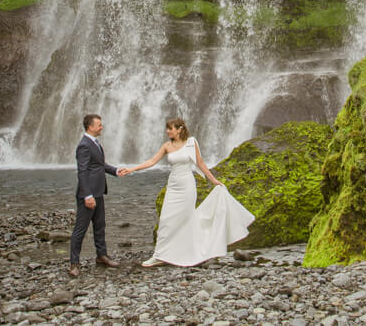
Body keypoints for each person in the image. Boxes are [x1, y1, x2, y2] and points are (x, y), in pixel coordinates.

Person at [119, 118, 254, 267]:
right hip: (173, 186)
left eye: (170, 128)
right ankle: (159, 255)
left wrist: (214, 180)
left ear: (179, 129)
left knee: (186, 220)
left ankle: (183, 252)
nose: (167, 131)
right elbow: (152, 161)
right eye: (167, 128)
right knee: (166, 220)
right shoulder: (167, 146)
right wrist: (132, 169)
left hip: (187, 187)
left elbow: (200, 163)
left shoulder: (191, 143)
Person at [68, 113, 121, 277]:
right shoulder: (84, 145)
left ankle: (101, 255)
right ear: (90, 127)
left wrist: (116, 171)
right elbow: (82, 171)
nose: (101, 127)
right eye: (99, 125)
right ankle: (74, 263)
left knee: (100, 226)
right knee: (80, 229)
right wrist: (87, 195)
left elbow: (99, 165)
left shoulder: (94, 143)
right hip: (89, 194)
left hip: (98, 192)